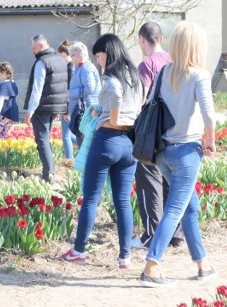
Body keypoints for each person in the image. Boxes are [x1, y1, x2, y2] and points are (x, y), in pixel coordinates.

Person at [139, 22, 217, 287]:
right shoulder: (199, 75)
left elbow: (149, 106)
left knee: (190, 207)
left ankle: (202, 263)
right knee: (175, 209)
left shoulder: (164, 72)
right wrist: (211, 141)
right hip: (187, 152)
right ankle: (152, 265)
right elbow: (208, 113)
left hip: (162, 153)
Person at [60, 34, 143, 270]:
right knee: (123, 201)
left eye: (99, 55)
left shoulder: (112, 76)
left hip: (107, 140)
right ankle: (125, 257)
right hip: (130, 144)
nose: (98, 61)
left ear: (109, 52)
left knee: (91, 199)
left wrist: (111, 118)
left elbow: (115, 94)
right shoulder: (135, 77)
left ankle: (78, 250)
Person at [132, 22, 184, 250]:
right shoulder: (175, 62)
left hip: (153, 133)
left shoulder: (147, 65)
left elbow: (141, 101)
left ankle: (152, 234)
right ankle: (176, 234)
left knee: (149, 180)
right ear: (161, 38)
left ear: (143, 39)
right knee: (170, 181)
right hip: (174, 130)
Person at [24, 34, 68, 182]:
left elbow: (37, 88)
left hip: (42, 107)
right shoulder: (60, 60)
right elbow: (62, 86)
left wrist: (31, 110)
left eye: (34, 48)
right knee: (45, 139)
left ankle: (49, 175)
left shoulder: (41, 62)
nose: (32, 51)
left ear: (41, 46)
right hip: (55, 107)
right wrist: (58, 108)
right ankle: (50, 171)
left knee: (42, 140)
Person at [65, 41, 101, 147]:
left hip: (89, 111)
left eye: (71, 56)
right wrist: (70, 112)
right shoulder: (81, 68)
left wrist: (71, 92)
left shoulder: (86, 68)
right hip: (86, 111)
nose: (71, 59)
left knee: (85, 144)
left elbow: (90, 89)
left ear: (76, 56)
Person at [57, 40, 77, 159]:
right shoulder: (71, 67)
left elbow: (68, 91)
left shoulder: (70, 68)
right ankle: (85, 146)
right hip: (70, 105)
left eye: (59, 56)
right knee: (68, 134)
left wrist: (66, 110)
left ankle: (69, 159)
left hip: (68, 106)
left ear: (64, 54)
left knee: (66, 135)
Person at [0, 62, 20, 139]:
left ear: (3, 73)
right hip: (12, 114)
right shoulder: (12, 83)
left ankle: (3, 151)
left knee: (1, 137)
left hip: (4, 115)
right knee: (6, 136)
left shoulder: (3, 85)